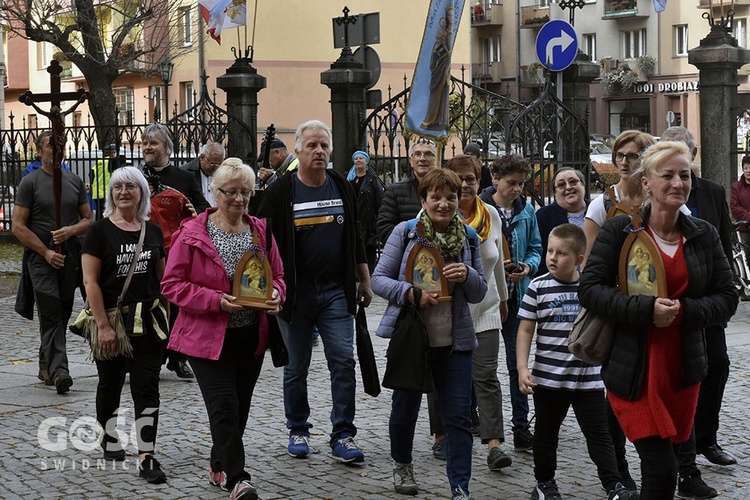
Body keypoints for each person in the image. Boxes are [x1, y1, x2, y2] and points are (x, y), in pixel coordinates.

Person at [579, 141, 738, 499]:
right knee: (662, 469)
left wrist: (684, 312)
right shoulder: (621, 232)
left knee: (665, 469)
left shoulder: (703, 234)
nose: (678, 183)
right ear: (647, 182)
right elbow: (589, 290)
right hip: (634, 369)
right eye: (667, 175)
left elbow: (727, 298)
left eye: (684, 175)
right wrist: (646, 310)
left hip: (682, 371)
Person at [161, 162, 285, 500]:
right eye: (231, 191)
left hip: (250, 336)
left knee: (239, 408)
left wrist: (277, 295)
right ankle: (237, 479)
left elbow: (278, 274)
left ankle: (219, 464)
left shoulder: (260, 230)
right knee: (225, 406)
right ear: (216, 194)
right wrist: (216, 301)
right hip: (205, 338)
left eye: (245, 191)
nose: (240, 198)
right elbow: (172, 285)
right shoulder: (193, 233)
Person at [257, 120, 373, 464]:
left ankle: (344, 434)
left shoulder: (340, 184)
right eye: (312, 146)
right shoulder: (280, 192)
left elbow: (355, 238)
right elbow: (261, 244)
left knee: (343, 361)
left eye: (324, 145)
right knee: (297, 366)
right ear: (297, 152)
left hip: (336, 291)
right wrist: (269, 289)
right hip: (295, 295)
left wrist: (363, 280)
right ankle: (298, 428)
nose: (319, 151)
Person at [372, 168, 487, 500]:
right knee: (404, 410)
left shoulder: (468, 237)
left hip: (455, 343)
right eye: (435, 197)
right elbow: (380, 279)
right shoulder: (405, 233)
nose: (444, 203)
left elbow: (480, 292)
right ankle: (403, 465)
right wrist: (410, 293)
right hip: (413, 339)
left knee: (458, 418)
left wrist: (466, 274)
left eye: (450, 197)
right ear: (423, 200)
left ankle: (460, 485)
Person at [516, 224, 637, 500]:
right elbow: (525, 330)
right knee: (546, 436)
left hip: (588, 381)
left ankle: (614, 486)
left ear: (580, 259)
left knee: (600, 437)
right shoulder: (538, 287)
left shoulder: (591, 290)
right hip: (548, 380)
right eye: (550, 251)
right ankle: (544, 483)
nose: (553, 258)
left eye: (561, 253)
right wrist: (522, 368)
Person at [661, 126, 736, 498]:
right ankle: (677, 454)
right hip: (665, 308)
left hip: (705, 306)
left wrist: (719, 301)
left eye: (683, 155)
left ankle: (707, 437)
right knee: (680, 378)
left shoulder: (713, 192)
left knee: (717, 366)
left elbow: (723, 238)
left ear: (693, 153)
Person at [81, 166, 169, 484]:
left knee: (147, 388)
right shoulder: (99, 232)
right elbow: (90, 283)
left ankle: (147, 455)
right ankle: (109, 435)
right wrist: (103, 325)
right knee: (111, 385)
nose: (124, 192)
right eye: (118, 187)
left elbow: (165, 280)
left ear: (142, 192)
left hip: (148, 323)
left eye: (131, 186)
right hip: (114, 321)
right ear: (111, 194)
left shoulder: (153, 231)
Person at [440, 154, 511, 471]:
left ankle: (494, 444)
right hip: (447, 311)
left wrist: (505, 299)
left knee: (486, 377)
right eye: (460, 178)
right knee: (442, 376)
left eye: (471, 178)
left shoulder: (492, 215)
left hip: (486, 308)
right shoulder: (437, 214)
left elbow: (497, 264)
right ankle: (442, 435)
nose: (466, 183)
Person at [12, 130, 93, 393]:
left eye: (60, 146)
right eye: (50, 146)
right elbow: (18, 226)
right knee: (50, 312)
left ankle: (45, 364)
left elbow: (88, 219)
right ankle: (60, 372)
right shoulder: (31, 182)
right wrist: (45, 253)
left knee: (63, 310)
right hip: (41, 256)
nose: (55, 151)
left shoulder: (74, 181)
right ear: (39, 151)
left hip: (68, 255)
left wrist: (70, 231)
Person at [478, 154, 542, 451]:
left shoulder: (527, 210)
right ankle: (481, 422)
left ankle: (521, 426)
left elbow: (536, 247)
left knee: (518, 365)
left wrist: (527, 267)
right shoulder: (479, 209)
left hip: (518, 298)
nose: (517, 189)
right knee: (483, 367)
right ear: (495, 180)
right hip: (488, 300)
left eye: (521, 184)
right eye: (511, 183)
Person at [141, 122, 208, 379]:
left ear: (167, 147)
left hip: (176, 251)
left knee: (178, 305)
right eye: (145, 143)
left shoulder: (183, 178)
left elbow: (203, 209)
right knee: (150, 304)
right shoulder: (135, 175)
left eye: (153, 143)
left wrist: (195, 212)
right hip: (145, 249)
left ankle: (178, 358)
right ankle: (153, 357)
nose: (148, 147)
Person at [583, 130, 656, 266]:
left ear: (648, 158)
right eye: (620, 155)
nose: (624, 162)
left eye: (632, 156)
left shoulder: (660, 199)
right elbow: (587, 261)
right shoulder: (601, 204)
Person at [377, 139, 438, 246]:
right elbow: (384, 228)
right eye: (417, 154)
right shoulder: (395, 191)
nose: (422, 159)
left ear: (435, 159)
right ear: (411, 160)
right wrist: (412, 245)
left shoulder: (445, 190)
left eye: (428, 154)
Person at [535, 167, 588, 277]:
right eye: (561, 185)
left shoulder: (598, 211)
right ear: (555, 192)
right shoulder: (543, 216)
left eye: (573, 182)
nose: (568, 187)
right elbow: (537, 254)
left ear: (583, 185)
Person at [347, 150, 384, 273]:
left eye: (361, 158)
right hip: (353, 219)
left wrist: (378, 220)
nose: (358, 160)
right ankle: (357, 273)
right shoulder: (349, 178)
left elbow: (380, 200)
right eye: (356, 158)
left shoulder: (372, 180)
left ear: (366, 161)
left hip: (368, 221)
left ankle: (368, 273)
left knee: (368, 248)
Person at [180, 141, 226, 207]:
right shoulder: (185, 173)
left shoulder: (224, 172)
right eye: (213, 165)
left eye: (219, 165)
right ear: (202, 157)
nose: (216, 169)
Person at [90, 144, 122, 221]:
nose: (114, 154)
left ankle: (98, 227)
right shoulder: (110, 161)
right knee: (108, 212)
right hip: (106, 191)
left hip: (96, 192)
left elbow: (91, 175)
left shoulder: (98, 162)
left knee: (99, 213)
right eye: (113, 152)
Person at [731, 155, 750, 265]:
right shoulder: (736, 187)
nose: (748, 170)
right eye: (746, 168)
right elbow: (734, 207)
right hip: (744, 229)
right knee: (746, 260)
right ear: (742, 169)